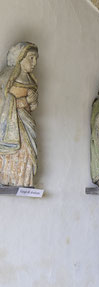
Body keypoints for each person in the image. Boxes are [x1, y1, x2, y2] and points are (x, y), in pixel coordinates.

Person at [0, 42, 38, 187]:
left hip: (27, 123)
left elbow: (33, 107)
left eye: (36, 58)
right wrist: (25, 101)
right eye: (31, 58)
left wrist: (33, 103)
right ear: (20, 58)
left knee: (28, 153)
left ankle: (24, 181)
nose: (34, 63)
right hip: (12, 125)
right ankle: (11, 179)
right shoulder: (6, 78)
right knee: (17, 152)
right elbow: (2, 101)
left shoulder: (32, 80)